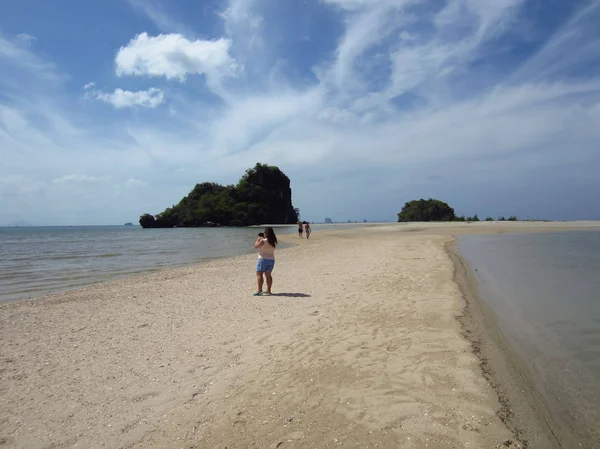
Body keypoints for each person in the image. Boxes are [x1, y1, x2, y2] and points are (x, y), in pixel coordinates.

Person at [253, 227, 277, 296]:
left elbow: (256, 246)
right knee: (268, 275)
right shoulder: (273, 241)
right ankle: (268, 291)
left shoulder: (263, 241)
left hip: (262, 259)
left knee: (259, 274)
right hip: (271, 259)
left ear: (266, 233)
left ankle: (260, 290)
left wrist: (258, 239)